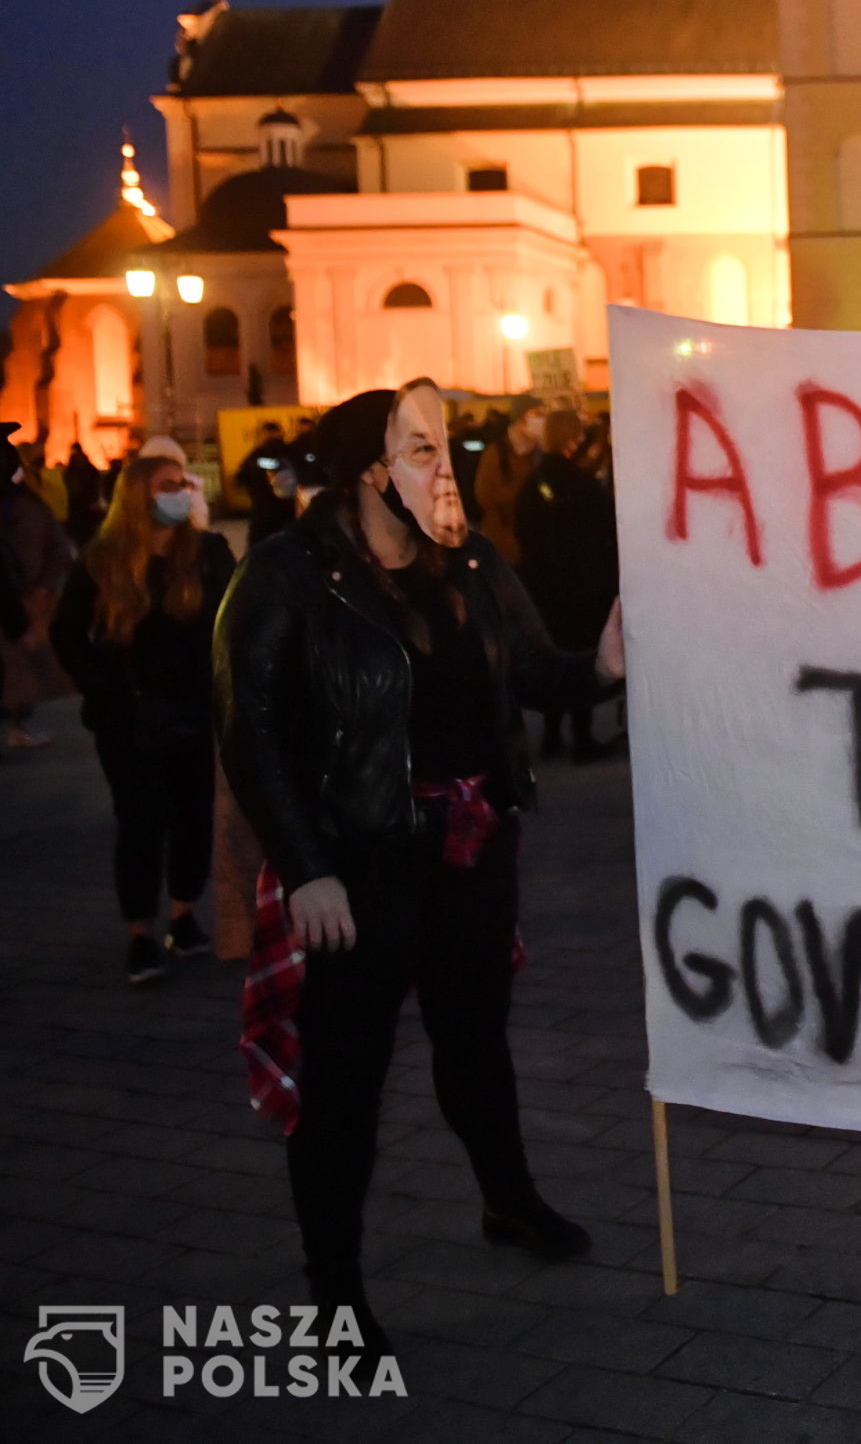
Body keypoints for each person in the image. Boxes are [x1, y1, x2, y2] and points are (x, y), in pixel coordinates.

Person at [216, 379, 626, 1353]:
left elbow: (526, 669)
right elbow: (253, 732)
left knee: (476, 1042)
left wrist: (601, 665)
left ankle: (510, 1200)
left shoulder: (472, 559)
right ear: (370, 471)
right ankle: (336, 1290)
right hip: (356, 870)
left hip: (472, 852)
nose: (447, 466)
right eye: (421, 448)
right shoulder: (287, 575)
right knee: (346, 1082)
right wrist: (305, 865)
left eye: (444, 446)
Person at [51, 453, 237, 982]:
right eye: (167, 486)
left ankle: (183, 915)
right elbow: (68, 633)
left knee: (193, 816)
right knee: (140, 821)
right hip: (127, 718)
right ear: (138, 497)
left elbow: (232, 620)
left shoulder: (206, 552)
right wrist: (100, 688)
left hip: (194, 711)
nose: (180, 493)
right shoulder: (102, 559)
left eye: (183, 484)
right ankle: (140, 932)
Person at [513, 410, 620, 761]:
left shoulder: (533, 484)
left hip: (543, 585)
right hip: (581, 587)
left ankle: (551, 734)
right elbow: (605, 534)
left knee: (551, 654)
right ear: (573, 438)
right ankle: (581, 735)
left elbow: (523, 531)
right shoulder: (583, 485)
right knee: (581, 658)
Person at [3, 423, 76, 750]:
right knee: (17, 666)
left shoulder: (25, 501)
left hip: (28, 595)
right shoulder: (22, 501)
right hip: (21, 597)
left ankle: (18, 724)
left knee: (21, 668)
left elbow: (55, 545)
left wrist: (45, 584)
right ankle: (16, 724)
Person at [471, 398, 545, 564]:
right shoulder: (497, 453)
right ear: (521, 418)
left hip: (535, 547)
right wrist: (526, 492)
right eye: (537, 414)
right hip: (505, 546)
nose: (542, 420)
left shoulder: (540, 453)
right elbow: (485, 495)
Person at [234, 421, 296, 543]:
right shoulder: (291, 451)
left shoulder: (256, 455)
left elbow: (241, 477)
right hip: (289, 509)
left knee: (259, 544)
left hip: (262, 509)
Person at [63, 444, 106, 546]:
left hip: (80, 503)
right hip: (82, 503)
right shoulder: (85, 467)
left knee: (82, 530)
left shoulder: (74, 467)